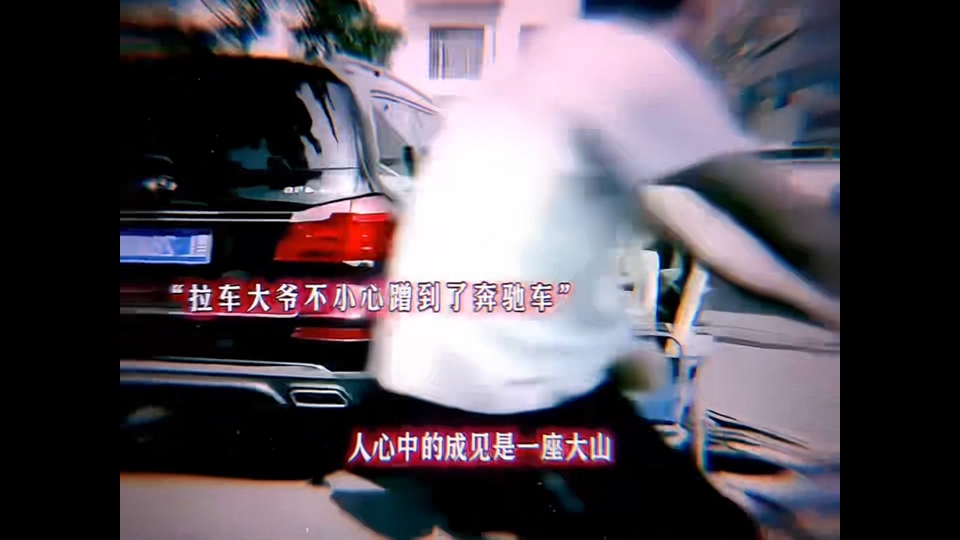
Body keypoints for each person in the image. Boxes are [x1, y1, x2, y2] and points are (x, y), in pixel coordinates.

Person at [347, 0, 839, 538]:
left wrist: (813, 306)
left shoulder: (547, 66)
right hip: (510, 399)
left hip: (417, 388)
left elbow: (704, 236)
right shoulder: (637, 62)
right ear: (697, 9)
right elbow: (793, 229)